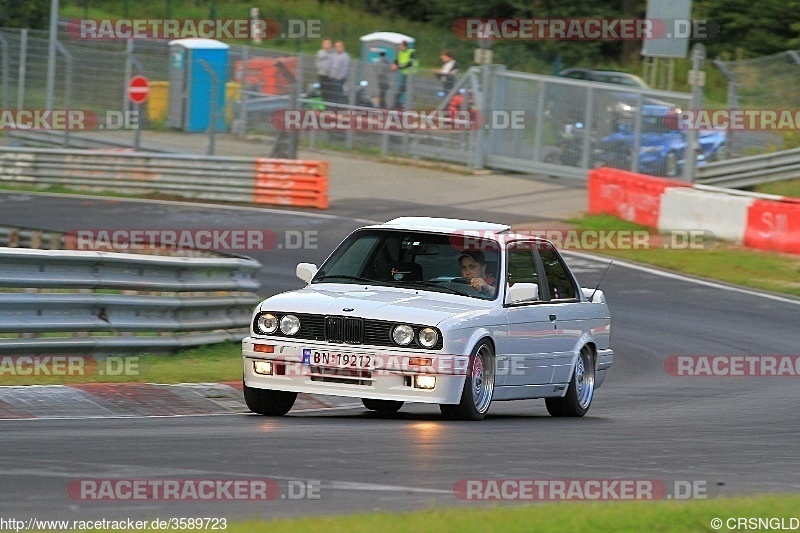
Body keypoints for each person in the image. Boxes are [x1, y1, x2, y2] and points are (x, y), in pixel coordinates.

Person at [391, 40, 416, 109]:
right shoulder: (400, 53)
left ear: (405, 46)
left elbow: (410, 64)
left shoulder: (411, 52)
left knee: (403, 91)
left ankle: (397, 106)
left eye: (401, 45)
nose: (399, 47)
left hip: (410, 75)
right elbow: (397, 60)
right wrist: (394, 65)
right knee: (402, 91)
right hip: (404, 75)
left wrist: (398, 67)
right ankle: (398, 106)